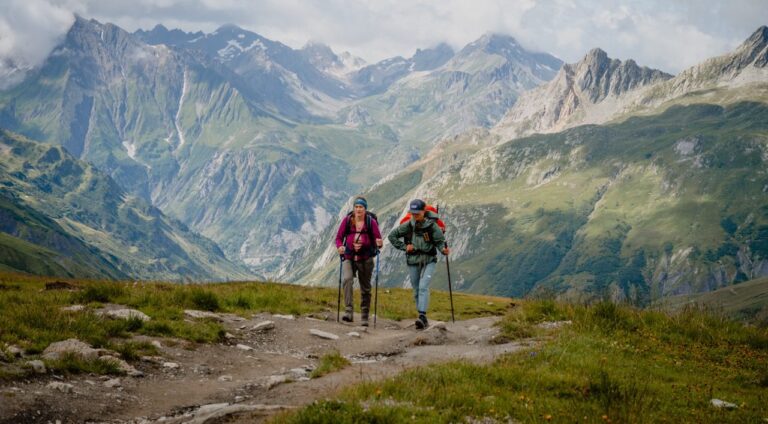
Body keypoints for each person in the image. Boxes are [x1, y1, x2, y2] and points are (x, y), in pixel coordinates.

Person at [387, 199, 449, 329]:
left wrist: (443, 250)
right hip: (413, 259)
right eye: (413, 213)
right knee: (416, 290)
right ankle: (421, 318)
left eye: (417, 213)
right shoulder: (408, 225)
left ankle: (422, 315)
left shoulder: (432, 226)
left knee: (423, 286)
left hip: (429, 259)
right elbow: (392, 236)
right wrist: (405, 247)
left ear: (423, 211)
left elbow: (439, 241)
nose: (415, 216)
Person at [335, 196, 383, 326]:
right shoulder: (347, 221)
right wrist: (340, 247)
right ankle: (348, 312)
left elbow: (378, 240)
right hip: (349, 256)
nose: (358, 209)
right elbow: (339, 238)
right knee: (347, 279)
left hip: (365, 258)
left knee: (365, 288)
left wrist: (379, 243)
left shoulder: (371, 222)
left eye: (361, 207)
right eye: (356, 207)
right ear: (353, 208)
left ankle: (364, 316)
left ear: (365, 209)